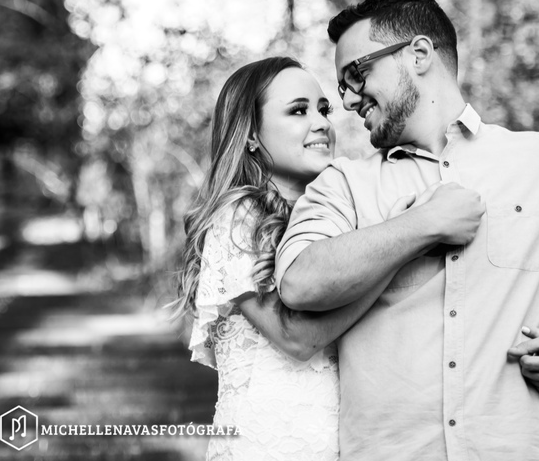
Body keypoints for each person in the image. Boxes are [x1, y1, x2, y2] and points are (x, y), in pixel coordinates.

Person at [275, 0, 539, 461]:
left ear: (418, 54)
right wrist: (420, 226)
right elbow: (299, 284)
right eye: (343, 87)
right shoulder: (343, 183)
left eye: (357, 74)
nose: (349, 100)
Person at [177, 57, 483, 461]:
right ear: (250, 135)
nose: (321, 123)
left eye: (323, 110)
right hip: (269, 444)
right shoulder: (237, 218)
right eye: (298, 111)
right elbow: (297, 337)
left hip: (345, 442)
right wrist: (405, 243)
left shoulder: (336, 217)